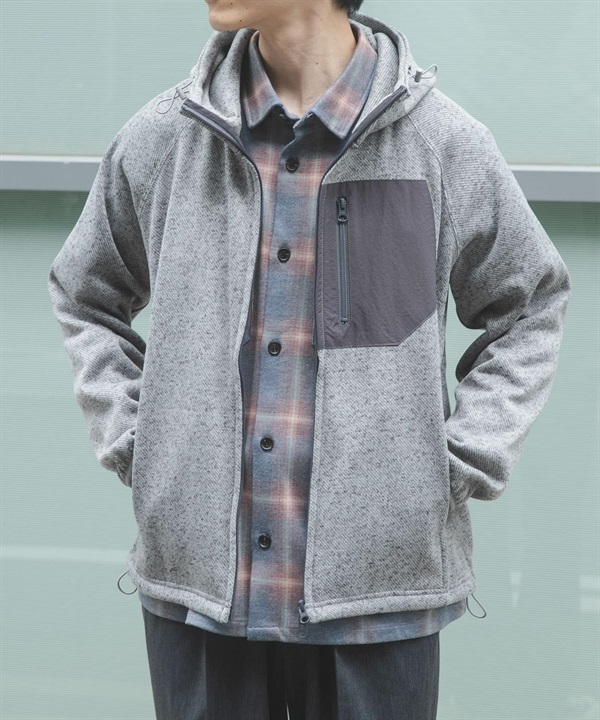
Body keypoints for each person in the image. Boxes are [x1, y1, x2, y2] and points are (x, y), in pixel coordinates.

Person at [47, 0, 571, 718]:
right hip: (200, 597)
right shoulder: (165, 138)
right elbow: (85, 293)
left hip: (378, 603)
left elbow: (530, 306)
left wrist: (456, 461)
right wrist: (142, 443)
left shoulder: (442, 144)